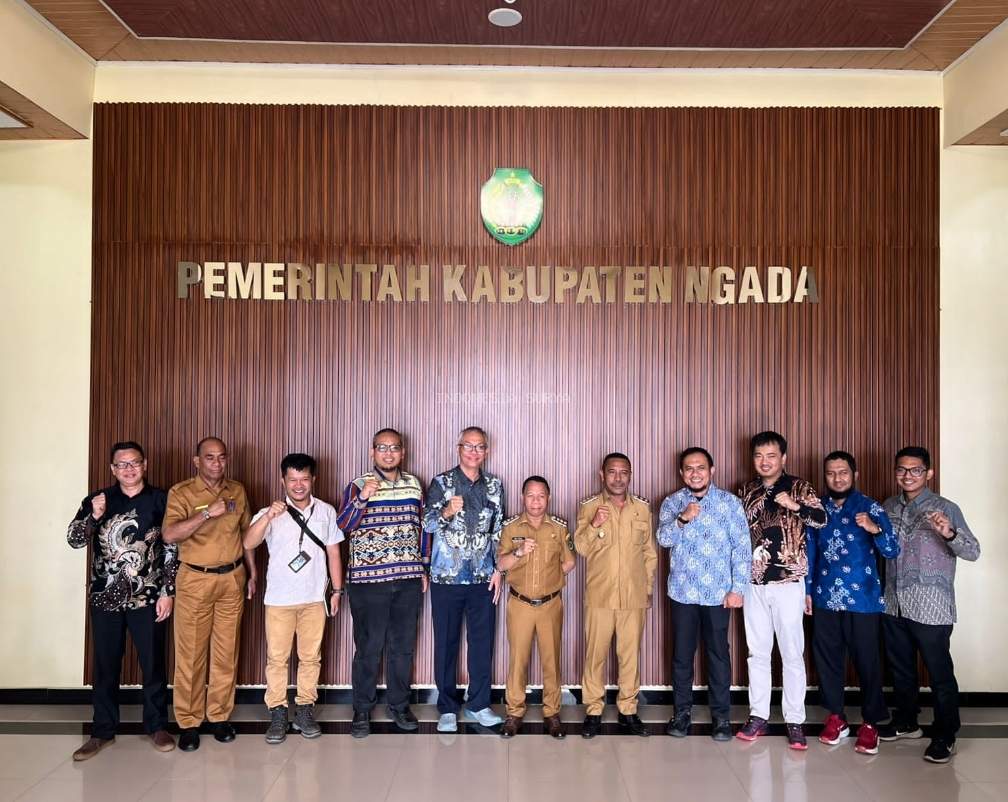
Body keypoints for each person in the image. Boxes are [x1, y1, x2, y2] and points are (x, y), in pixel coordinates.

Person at [66, 441, 177, 760]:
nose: (129, 469)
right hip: (105, 598)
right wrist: (93, 516)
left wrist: (168, 591)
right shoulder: (98, 499)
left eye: (134, 463)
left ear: (145, 464)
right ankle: (102, 731)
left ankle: (157, 726)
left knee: (153, 663)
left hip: (148, 595)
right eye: (122, 464)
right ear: (112, 469)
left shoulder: (161, 500)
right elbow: (74, 540)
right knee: (105, 665)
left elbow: (172, 548)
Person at [878, 446, 980, 763]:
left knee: (939, 674)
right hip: (894, 602)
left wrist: (948, 532)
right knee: (901, 669)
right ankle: (907, 721)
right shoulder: (888, 506)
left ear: (929, 473)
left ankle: (946, 734)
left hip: (931, 605)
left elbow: (973, 551)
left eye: (916, 470)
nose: (908, 475)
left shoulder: (945, 508)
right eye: (902, 469)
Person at [162, 436, 257, 752]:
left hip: (231, 578)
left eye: (222, 457)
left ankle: (219, 716)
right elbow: (170, 534)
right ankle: (189, 722)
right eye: (210, 457)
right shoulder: (182, 492)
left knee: (226, 652)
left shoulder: (237, 490)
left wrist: (252, 572)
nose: (217, 463)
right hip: (195, 579)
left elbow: (246, 535)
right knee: (190, 654)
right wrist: (206, 514)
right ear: (197, 461)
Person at [243, 453, 344, 744]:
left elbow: (334, 552)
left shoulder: (325, 511)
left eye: (304, 479)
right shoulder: (269, 512)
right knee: (277, 658)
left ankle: (304, 709)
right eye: (292, 480)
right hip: (279, 599)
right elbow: (248, 542)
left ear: (314, 480)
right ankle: (277, 711)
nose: (298, 485)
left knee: (311, 657)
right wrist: (268, 517)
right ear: (282, 481)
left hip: (314, 597)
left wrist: (337, 591)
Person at [736, 431, 826, 750]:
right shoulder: (746, 490)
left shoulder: (799, 486)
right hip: (754, 582)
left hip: (789, 582)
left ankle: (795, 720)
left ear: (783, 458)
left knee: (791, 652)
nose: (765, 462)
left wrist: (795, 506)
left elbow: (821, 519)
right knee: (757, 652)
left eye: (771, 456)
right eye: (759, 456)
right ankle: (758, 715)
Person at [336, 428, 428, 738]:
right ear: (372, 452)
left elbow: (423, 528)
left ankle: (399, 705)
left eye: (394, 448)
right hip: (368, 581)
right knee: (368, 648)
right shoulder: (358, 484)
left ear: (403, 452)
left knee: (402, 648)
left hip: (407, 579)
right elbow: (343, 525)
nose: (389, 453)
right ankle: (362, 709)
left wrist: (423, 567)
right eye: (382, 447)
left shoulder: (414, 484)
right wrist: (362, 499)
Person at [807, 451, 899, 755]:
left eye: (843, 472)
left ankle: (871, 723)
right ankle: (836, 717)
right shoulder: (817, 509)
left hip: (863, 599)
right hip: (825, 597)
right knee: (828, 660)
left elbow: (891, 550)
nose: (837, 478)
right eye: (831, 473)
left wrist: (876, 529)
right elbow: (809, 552)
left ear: (854, 475)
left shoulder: (870, 507)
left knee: (868, 661)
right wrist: (807, 591)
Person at [657, 447, 750, 742]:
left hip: (718, 594)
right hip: (682, 592)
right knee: (682, 656)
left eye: (700, 468)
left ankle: (721, 718)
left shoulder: (730, 503)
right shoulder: (672, 502)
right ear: (681, 473)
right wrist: (682, 519)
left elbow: (742, 548)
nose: (695, 473)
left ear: (712, 470)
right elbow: (663, 539)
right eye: (689, 468)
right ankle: (681, 713)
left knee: (718, 655)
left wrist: (738, 589)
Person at [424, 426, 505, 732]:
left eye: (479, 446)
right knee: (446, 643)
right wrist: (446, 511)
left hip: (483, 577)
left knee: (482, 643)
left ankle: (479, 704)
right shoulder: (441, 482)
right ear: (458, 449)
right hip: (446, 577)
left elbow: (499, 531)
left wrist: (499, 570)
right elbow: (427, 524)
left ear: (487, 451)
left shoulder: (495, 486)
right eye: (468, 446)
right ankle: (447, 707)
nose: (474, 452)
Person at [575, 452, 657, 738]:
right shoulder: (589, 507)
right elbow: (580, 548)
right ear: (602, 474)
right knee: (594, 656)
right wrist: (595, 524)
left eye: (624, 472)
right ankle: (593, 711)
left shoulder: (642, 509)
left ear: (630, 475)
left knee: (629, 656)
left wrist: (647, 590)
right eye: (612, 472)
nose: (618, 478)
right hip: (600, 597)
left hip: (633, 598)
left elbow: (649, 554)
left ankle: (628, 710)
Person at [497, 476, 575, 739]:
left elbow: (569, 562)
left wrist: (550, 579)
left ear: (548, 498)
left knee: (551, 661)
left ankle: (552, 713)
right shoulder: (510, 528)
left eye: (541, 496)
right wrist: (519, 552)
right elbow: (501, 564)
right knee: (518, 660)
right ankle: (514, 713)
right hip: (520, 604)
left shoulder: (559, 528)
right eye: (530, 495)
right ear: (523, 497)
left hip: (550, 604)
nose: (536, 501)